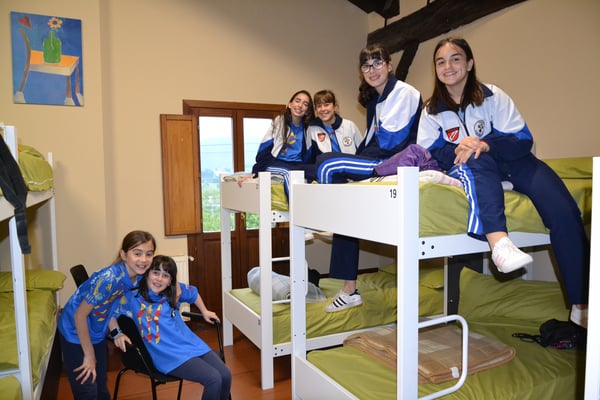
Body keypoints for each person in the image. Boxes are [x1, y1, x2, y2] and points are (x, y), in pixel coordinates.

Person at [416, 37, 589, 327]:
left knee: (565, 213)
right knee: (473, 157)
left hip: (518, 164)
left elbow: (522, 139)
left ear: (469, 63)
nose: (448, 66)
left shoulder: (493, 95)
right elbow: (428, 151)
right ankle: (500, 244)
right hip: (479, 166)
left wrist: (485, 143)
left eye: (456, 58)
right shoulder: (431, 110)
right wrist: (459, 147)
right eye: (441, 61)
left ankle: (582, 305)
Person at [319, 44, 423, 312]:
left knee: (330, 165)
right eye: (366, 65)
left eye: (378, 63)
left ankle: (328, 219)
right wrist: (356, 163)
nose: (372, 70)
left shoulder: (404, 92)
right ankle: (349, 288)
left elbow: (391, 142)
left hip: (396, 162)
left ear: (389, 65)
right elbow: (369, 141)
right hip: (381, 159)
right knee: (326, 166)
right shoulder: (377, 101)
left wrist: (355, 165)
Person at [109, 255, 232, 400]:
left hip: (190, 344)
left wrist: (204, 311)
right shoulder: (132, 297)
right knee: (214, 379)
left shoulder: (173, 293)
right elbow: (109, 310)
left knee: (225, 375)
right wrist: (117, 333)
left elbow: (193, 293)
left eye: (165, 276)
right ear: (147, 274)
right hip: (167, 354)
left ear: (170, 281)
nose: (159, 279)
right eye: (155, 272)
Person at [58, 230, 157, 399]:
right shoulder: (109, 279)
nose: (143, 259)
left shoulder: (137, 278)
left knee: (101, 386)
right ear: (123, 255)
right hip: (75, 332)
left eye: (149, 254)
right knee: (87, 391)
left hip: (97, 331)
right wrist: (89, 355)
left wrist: (116, 332)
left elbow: (109, 305)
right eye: (137, 253)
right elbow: (80, 316)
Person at [247, 90, 316, 196]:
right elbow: (264, 148)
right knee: (289, 174)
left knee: (317, 172)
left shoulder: (308, 128)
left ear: (307, 110)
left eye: (305, 104)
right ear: (290, 104)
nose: (300, 105)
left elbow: (310, 154)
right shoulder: (279, 122)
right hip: (276, 162)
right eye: (297, 101)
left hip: (298, 164)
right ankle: (296, 206)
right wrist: (256, 171)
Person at [307, 89, 362, 157]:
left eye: (326, 105)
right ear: (316, 110)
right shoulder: (312, 129)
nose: (323, 109)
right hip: (326, 163)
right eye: (319, 106)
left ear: (334, 107)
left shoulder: (349, 126)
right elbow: (309, 157)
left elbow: (363, 151)